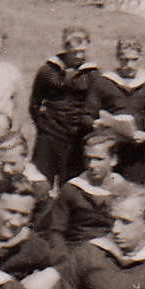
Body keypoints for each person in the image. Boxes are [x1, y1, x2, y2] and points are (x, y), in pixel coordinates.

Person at [86, 36, 145, 187]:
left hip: (135, 152)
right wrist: (96, 125)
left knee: (133, 194)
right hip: (108, 150)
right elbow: (86, 115)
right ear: (117, 58)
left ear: (140, 57)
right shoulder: (104, 82)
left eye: (133, 60)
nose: (129, 65)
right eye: (124, 60)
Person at [26, 26, 99, 180]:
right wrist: (44, 126)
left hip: (76, 138)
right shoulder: (47, 71)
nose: (79, 56)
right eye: (75, 52)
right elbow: (34, 104)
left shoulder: (93, 75)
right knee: (40, 181)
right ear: (66, 48)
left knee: (71, 183)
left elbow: (96, 107)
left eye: (83, 51)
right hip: (49, 136)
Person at [53, 132, 134, 244]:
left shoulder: (126, 191)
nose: (91, 165)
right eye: (88, 158)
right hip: (77, 249)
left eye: (98, 159)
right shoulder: (72, 189)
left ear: (113, 160)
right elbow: (56, 231)